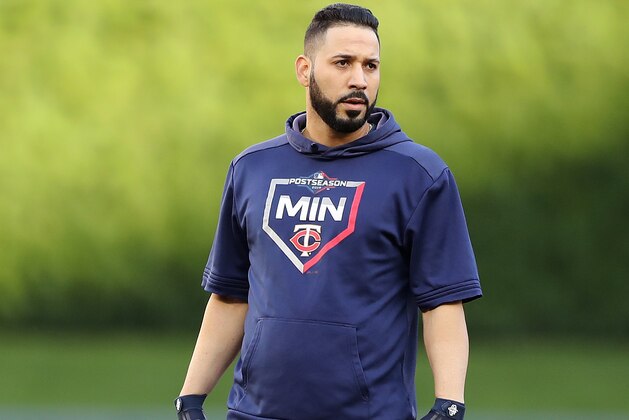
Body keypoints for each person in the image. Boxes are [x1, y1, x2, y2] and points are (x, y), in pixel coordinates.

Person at [175, 3, 482, 420]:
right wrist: (191, 395)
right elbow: (230, 295)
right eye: (343, 63)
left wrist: (450, 403)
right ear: (305, 70)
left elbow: (442, 302)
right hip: (254, 413)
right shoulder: (252, 168)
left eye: (370, 65)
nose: (359, 79)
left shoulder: (419, 175)